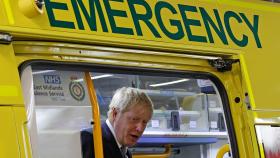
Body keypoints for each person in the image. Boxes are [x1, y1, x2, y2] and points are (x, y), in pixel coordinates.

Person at [81, 87, 154, 158]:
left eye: (145, 122)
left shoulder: (126, 152)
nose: (140, 128)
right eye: (134, 119)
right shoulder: (92, 140)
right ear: (115, 114)